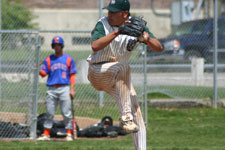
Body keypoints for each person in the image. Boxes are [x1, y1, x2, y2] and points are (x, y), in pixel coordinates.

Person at [86, 0, 163, 149]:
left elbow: (158, 47)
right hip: (98, 71)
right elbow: (95, 46)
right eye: (109, 10)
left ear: (125, 14)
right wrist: (117, 32)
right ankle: (125, 117)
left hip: (120, 77)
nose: (109, 14)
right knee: (123, 67)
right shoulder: (103, 24)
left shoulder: (136, 25)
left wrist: (145, 38)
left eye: (113, 11)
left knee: (137, 113)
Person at [37, 36, 77, 141]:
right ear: (53, 47)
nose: (57, 47)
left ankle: (69, 133)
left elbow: (72, 75)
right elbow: (43, 74)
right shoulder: (49, 59)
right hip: (51, 89)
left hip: (64, 88)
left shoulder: (68, 59)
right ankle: (46, 134)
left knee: (66, 112)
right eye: (55, 45)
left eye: (58, 45)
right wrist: (37, 68)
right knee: (49, 112)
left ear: (62, 46)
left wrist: (72, 89)